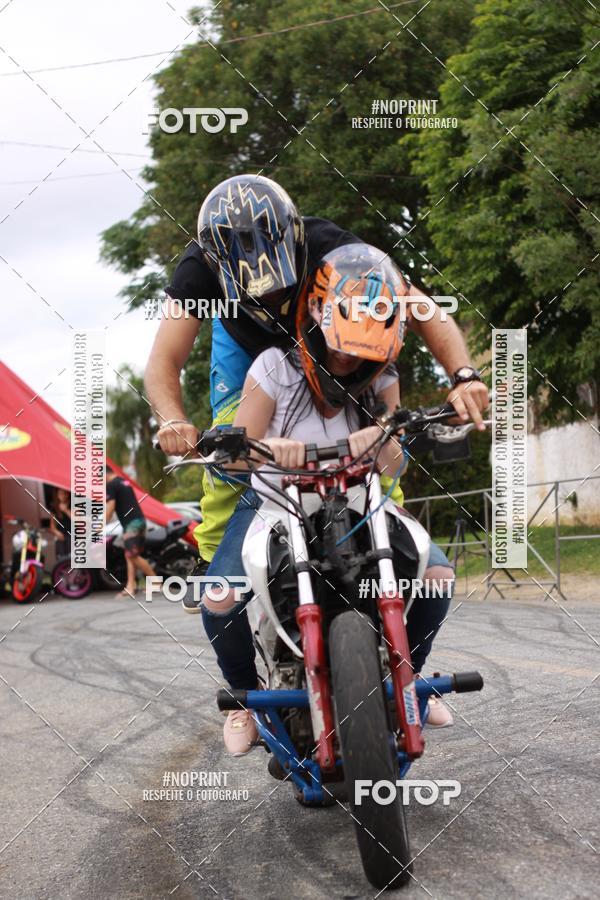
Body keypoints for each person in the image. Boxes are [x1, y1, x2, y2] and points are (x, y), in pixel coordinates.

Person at [145, 175, 489, 613]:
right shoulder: (198, 268)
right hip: (243, 346)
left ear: (296, 240)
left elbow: (417, 306)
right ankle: (214, 556)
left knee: (377, 432)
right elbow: (164, 359)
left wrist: (463, 375)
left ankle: (385, 514)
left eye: (279, 285)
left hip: (326, 336)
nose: (272, 297)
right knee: (231, 438)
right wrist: (173, 420)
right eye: (258, 291)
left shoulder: (328, 243)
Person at [200, 244, 461, 755]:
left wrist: (383, 436)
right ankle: (244, 701)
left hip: (359, 500)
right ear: (317, 319)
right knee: (219, 597)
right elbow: (235, 459)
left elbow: (392, 468)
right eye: (340, 346)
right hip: (277, 502)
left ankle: (410, 676)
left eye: (362, 352)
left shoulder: (384, 377)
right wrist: (269, 448)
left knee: (436, 576)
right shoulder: (274, 367)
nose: (347, 360)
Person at [105, 466, 156, 597]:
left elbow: (110, 508)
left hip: (132, 524)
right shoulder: (123, 482)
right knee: (129, 555)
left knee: (132, 555)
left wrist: (100, 525)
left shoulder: (111, 485)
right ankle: (130, 586)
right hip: (137, 521)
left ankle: (156, 582)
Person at [49, 487, 72, 559]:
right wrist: (56, 532)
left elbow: (78, 521)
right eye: (60, 494)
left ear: (68, 494)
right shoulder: (55, 506)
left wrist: (66, 510)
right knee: (61, 559)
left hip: (72, 535)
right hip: (60, 536)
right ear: (57, 495)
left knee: (71, 558)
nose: (63, 496)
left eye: (65, 493)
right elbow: (52, 526)